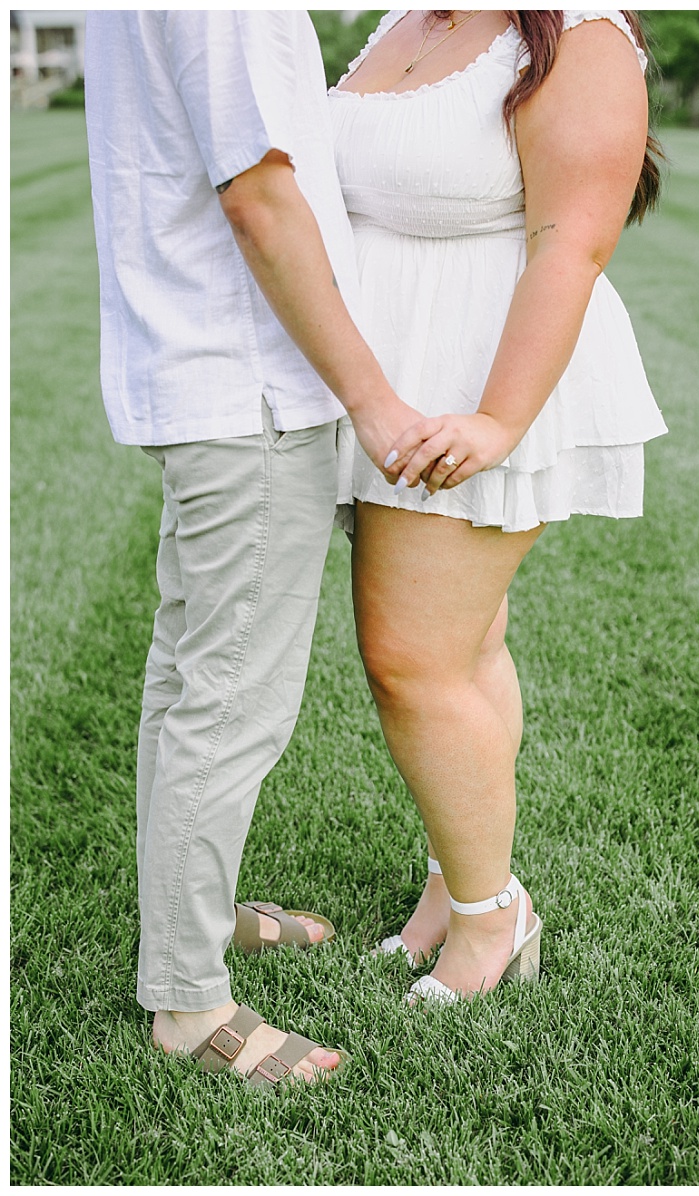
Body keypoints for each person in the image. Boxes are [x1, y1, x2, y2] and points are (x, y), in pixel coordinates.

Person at [86, 11, 423, 1084]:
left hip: (211, 377)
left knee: (189, 679)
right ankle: (187, 1002)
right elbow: (259, 192)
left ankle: (196, 915)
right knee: (227, 701)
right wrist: (372, 403)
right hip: (252, 385)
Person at [325, 10, 667, 1003]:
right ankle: (454, 882)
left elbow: (573, 243)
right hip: (400, 369)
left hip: (478, 377)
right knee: (466, 648)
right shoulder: (406, 15)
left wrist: (497, 419)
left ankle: (489, 919)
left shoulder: (577, 32)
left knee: (411, 658)